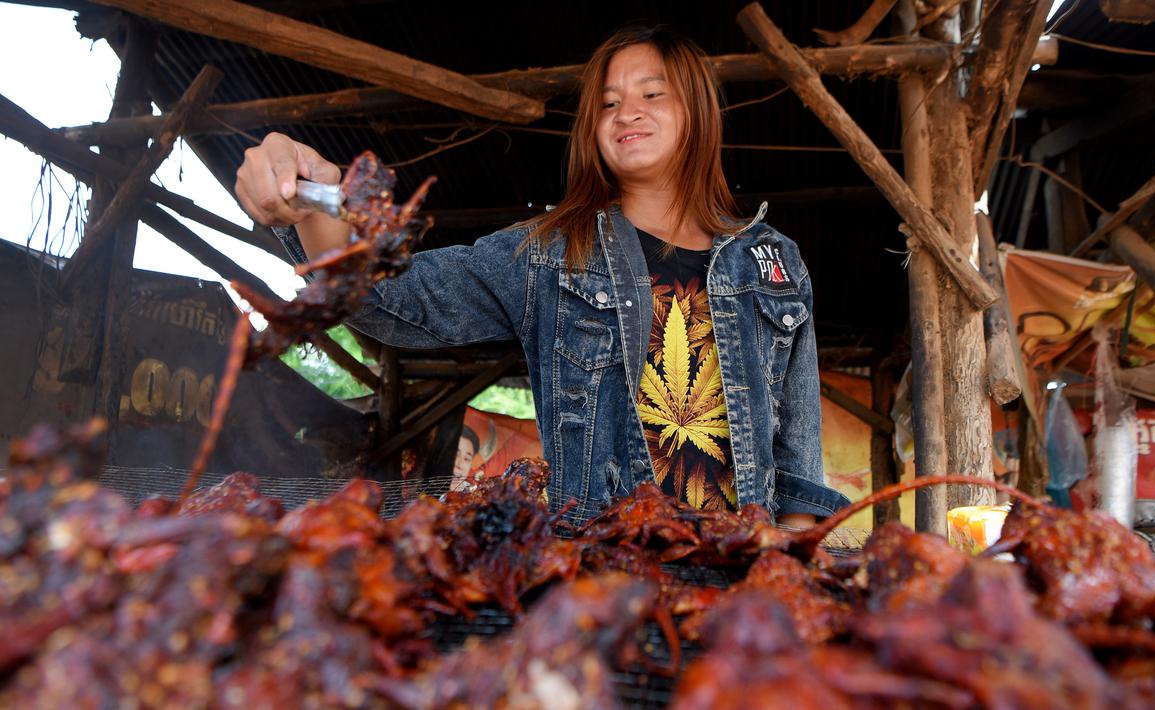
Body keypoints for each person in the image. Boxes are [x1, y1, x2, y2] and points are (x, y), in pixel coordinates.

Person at [235, 25, 849, 526]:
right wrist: (312, 196)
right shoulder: (549, 251)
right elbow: (388, 302)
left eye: (651, 94)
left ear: (699, 111)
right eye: (607, 102)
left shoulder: (774, 260)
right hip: (601, 583)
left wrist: (790, 562)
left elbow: (797, 453)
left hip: (744, 584)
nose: (625, 112)